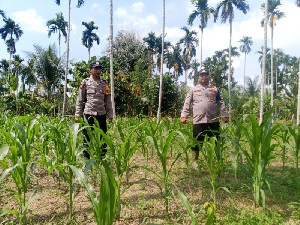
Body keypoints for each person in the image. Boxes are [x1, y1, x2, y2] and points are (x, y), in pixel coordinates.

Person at [180, 68, 229, 160]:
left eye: (206, 75)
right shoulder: (193, 90)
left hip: (213, 120)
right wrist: (184, 116)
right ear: (198, 78)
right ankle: (195, 160)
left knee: (215, 140)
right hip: (199, 120)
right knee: (197, 140)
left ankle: (216, 159)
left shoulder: (214, 89)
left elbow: (220, 103)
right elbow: (187, 103)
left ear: (208, 77)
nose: (204, 77)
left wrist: (224, 115)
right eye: (201, 75)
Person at [75, 61, 113, 159]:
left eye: (99, 68)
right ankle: (86, 160)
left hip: (101, 114)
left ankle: (102, 158)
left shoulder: (105, 83)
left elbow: (108, 99)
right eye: (95, 68)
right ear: (90, 70)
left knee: (103, 136)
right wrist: (77, 114)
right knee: (87, 137)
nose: (98, 70)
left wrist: (110, 115)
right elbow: (80, 99)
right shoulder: (85, 82)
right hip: (89, 113)